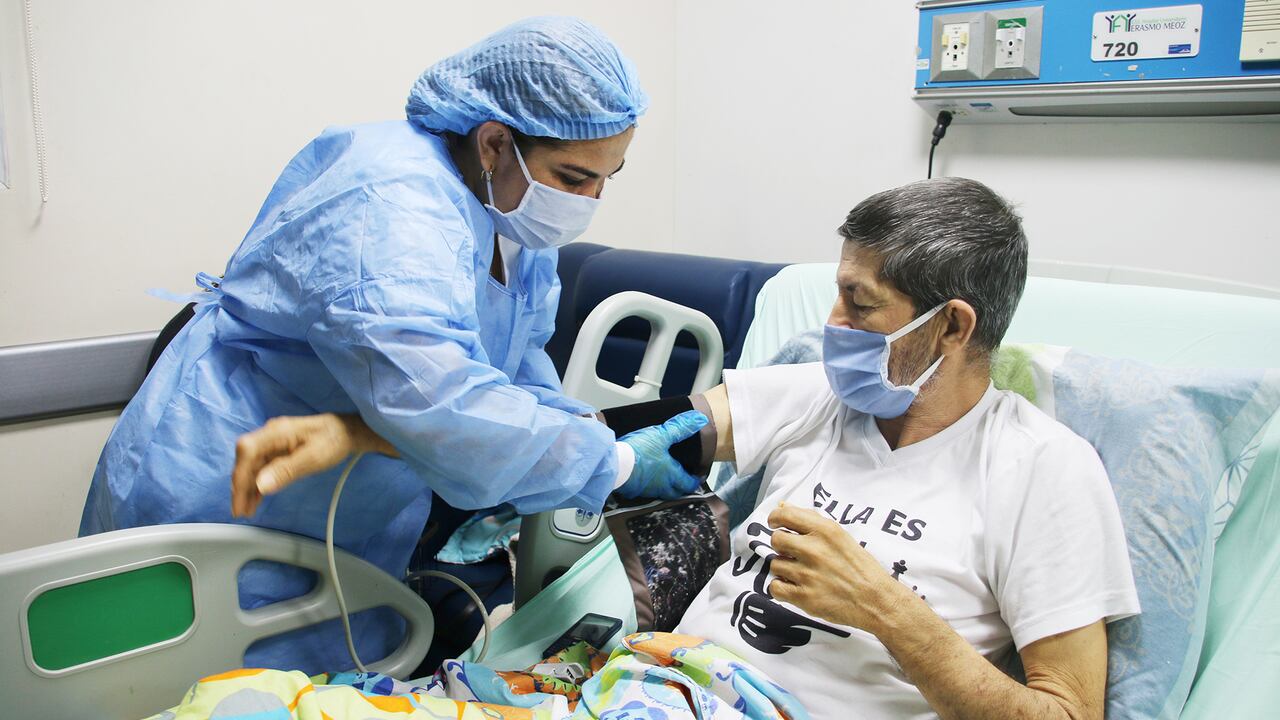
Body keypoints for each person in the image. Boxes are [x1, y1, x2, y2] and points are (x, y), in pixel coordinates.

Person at [245, 178, 1141, 719]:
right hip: (652, 683)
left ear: (950, 328)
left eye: (859, 306)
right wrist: (362, 434)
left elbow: (1064, 710)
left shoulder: (1044, 472)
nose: (831, 329)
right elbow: (588, 440)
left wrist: (885, 610)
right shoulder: (818, 399)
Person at [78, 16, 703, 674]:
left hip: (349, 514)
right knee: (169, 686)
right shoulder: (395, 203)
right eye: (574, 178)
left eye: (610, 179)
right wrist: (613, 464)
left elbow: (517, 374)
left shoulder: (515, 224)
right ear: (494, 143)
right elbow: (443, 404)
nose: (590, 201)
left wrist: (595, 429)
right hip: (229, 489)